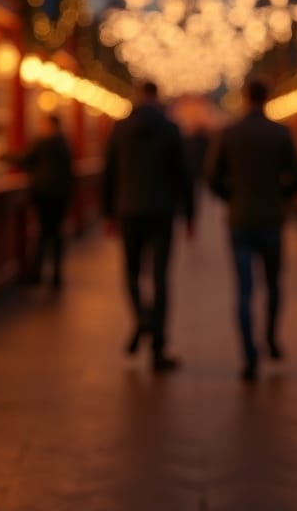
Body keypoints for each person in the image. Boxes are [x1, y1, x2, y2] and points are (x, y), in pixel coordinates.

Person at [206, 77, 297, 381]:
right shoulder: (280, 133)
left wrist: (231, 197)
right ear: (267, 97)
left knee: (244, 289)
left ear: (244, 97)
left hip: (240, 220)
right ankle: (271, 339)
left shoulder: (229, 133)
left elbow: (211, 176)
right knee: (273, 284)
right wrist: (281, 197)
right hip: (272, 219)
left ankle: (249, 356)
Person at [102, 80, 193, 373]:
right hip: (162, 211)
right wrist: (190, 215)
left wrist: (108, 214)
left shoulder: (120, 128)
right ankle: (158, 347)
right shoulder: (170, 128)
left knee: (131, 271)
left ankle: (142, 318)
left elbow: (109, 172)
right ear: (158, 96)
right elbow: (183, 175)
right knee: (160, 276)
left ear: (138, 96)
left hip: (128, 209)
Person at [10, 112, 75, 289]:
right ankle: (56, 274)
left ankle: (37, 273)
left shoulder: (43, 143)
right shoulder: (65, 143)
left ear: (50, 125)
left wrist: (1, 156)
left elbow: (24, 159)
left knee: (44, 233)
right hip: (60, 195)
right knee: (56, 234)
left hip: (44, 195)